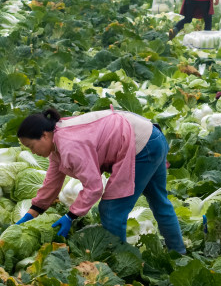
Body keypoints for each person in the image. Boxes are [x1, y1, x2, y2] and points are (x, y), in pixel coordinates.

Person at [13, 108, 186, 254]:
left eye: (31, 146)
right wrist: (33, 212)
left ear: (44, 136)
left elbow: (94, 187)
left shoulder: (70, 145)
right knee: (159, 202)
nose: (32, 152)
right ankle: (178, 254)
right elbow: (52, 181)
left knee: (111, 210)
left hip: (141, 146)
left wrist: (70, 215)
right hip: (152, 136)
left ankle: (120, 264)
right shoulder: (58, 141)